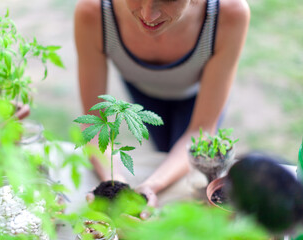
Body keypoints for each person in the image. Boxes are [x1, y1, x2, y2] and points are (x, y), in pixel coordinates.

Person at [74, 0, 250, 218]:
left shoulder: (228, 14)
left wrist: (151, 186)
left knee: (187, 172)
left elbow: (201, 130)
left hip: (198, 96)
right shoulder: (94, 12)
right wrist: (114, 183)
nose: (149, 15)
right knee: (164, 154)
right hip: (143, 92)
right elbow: (94, 122)